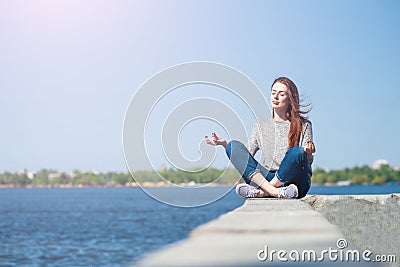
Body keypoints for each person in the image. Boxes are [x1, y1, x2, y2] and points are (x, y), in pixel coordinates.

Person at [205, 77, 315, 199]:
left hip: (295, 183)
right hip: (266, 178)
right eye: (273, 93)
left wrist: (308, 154)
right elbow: (247, 157)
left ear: (290, 99)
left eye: (281, 94)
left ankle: (263, 193)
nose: (275, 97)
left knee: (297, 151)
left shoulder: (304, 125)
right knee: (233, 145)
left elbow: (306, 161)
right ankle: (274, 191)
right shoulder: (259, 126)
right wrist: (225, 145)